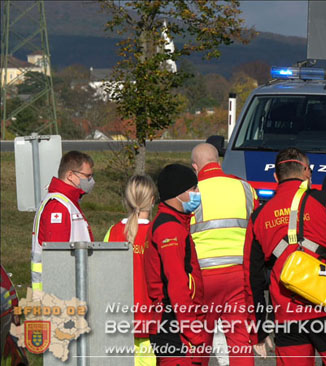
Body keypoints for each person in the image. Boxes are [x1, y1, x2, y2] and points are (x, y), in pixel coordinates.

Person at [243, 147, 326, 366]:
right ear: (307, 173)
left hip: (286, 317)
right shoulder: (325, 201)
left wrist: (259, 330)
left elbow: (251, 278)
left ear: (276, 177)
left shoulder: (258, 216)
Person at [189, 143, 258, 366]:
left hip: (204, 275)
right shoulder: (245, 188)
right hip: (239, 274)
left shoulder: (192, 192)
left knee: (201, 339)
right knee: (240, 339)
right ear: (217, 161)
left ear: (195, 167)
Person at [145, 164, 207, 366]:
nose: (198, 193)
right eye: (194, 189)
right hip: (175, 328)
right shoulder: (170, 229)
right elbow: (177, 284)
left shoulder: (174, 223)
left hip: (175, 325)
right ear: (178, 193)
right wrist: (193, 333)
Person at [104, 175, 157, 366]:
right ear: (152, 200)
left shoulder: (113, 232)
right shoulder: (156, 232)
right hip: (151, 315)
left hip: (120, 316)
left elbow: (105, 274)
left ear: (126, 200)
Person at [31, 151, 95, 291]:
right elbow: (57, 258)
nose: (91, 180)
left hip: (70, 289)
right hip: (60, 294)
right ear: (70, 175)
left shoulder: (68, 202)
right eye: (87, 176)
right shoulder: (58, 207)